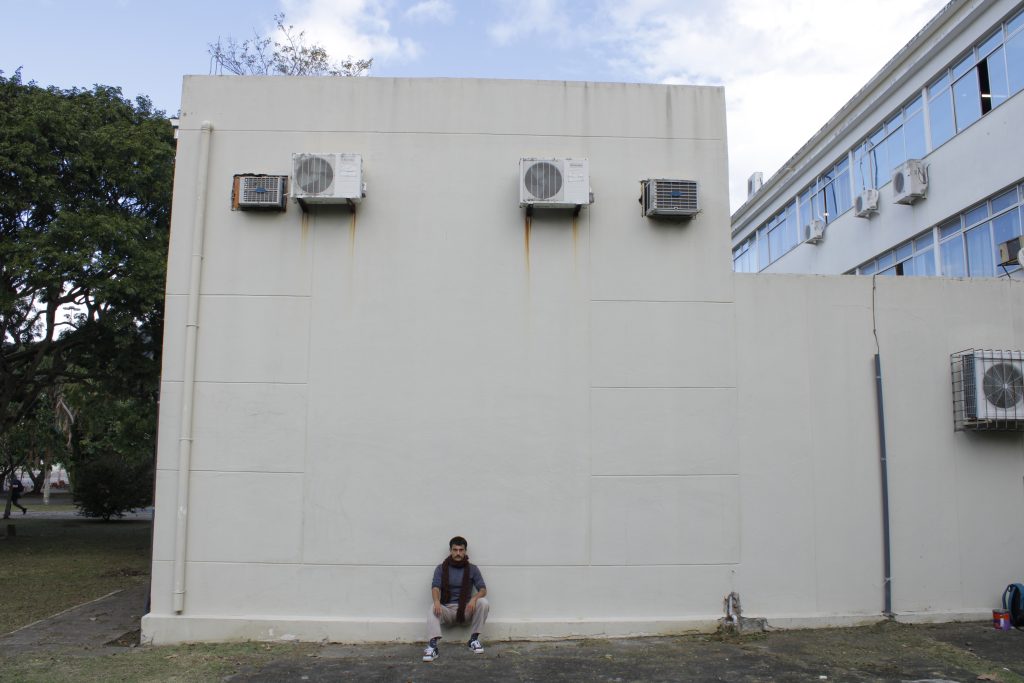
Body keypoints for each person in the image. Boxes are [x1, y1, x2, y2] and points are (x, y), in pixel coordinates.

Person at [422, 535, 489, 662]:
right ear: (450, 550)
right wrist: (436, 601)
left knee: (483, 602)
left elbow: (483, 590)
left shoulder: (473, 569)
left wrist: (474, 598)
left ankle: (473, 640)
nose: (458, 553)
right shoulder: (441, 568)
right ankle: (432, 646)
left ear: (465, 551)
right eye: (455, 550)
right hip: (447, 610)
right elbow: (435, 587)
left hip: (466, 610)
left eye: (461, 550)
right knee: (432, 607)